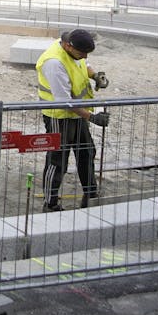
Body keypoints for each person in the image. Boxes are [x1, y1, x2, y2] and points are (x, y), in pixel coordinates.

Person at [35, 28, 109, 211]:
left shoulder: (74, 49)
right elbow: (65, 102)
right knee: (57, 159)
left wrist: (94, 75)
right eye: (81, 53)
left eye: (87, 53)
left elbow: (83, 63)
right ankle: (50, 203)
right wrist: (92, 117)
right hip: (59, 116)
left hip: (77, 113)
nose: (84, 57)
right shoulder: (54, 63)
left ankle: (90, 195)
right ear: (68, 46)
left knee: (87, 152)